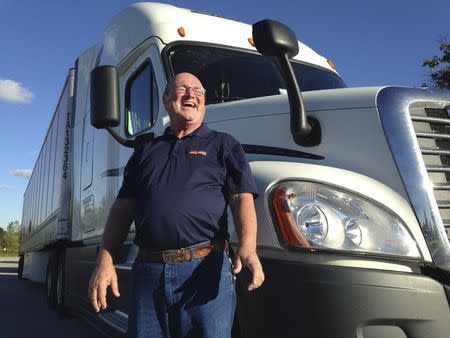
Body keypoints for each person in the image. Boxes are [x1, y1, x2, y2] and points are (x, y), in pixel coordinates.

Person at [88, 72, 265, 338]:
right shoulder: (145, 151)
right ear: (166, 99)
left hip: (204, 271)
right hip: (148, 272)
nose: (191, 94)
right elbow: (122, 208)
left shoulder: (224, 145)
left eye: (198, 90)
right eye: (182, 88)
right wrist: (105, 260)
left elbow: (242, 198)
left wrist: (248, 247)